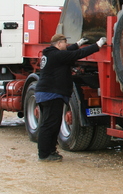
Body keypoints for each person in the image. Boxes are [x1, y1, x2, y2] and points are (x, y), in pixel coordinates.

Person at [35, 33, 107, 162]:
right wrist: (97, 45)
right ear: (58, 44)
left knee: (51, 124)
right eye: (64, 42)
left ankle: (50, 151)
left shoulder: (50, 54)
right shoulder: (57, 55)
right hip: (51, 94)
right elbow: (76, 55)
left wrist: (78, 44)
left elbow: (68, 51)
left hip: (47, 93)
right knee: (49, 125)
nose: (66, 44)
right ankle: (45, 154)